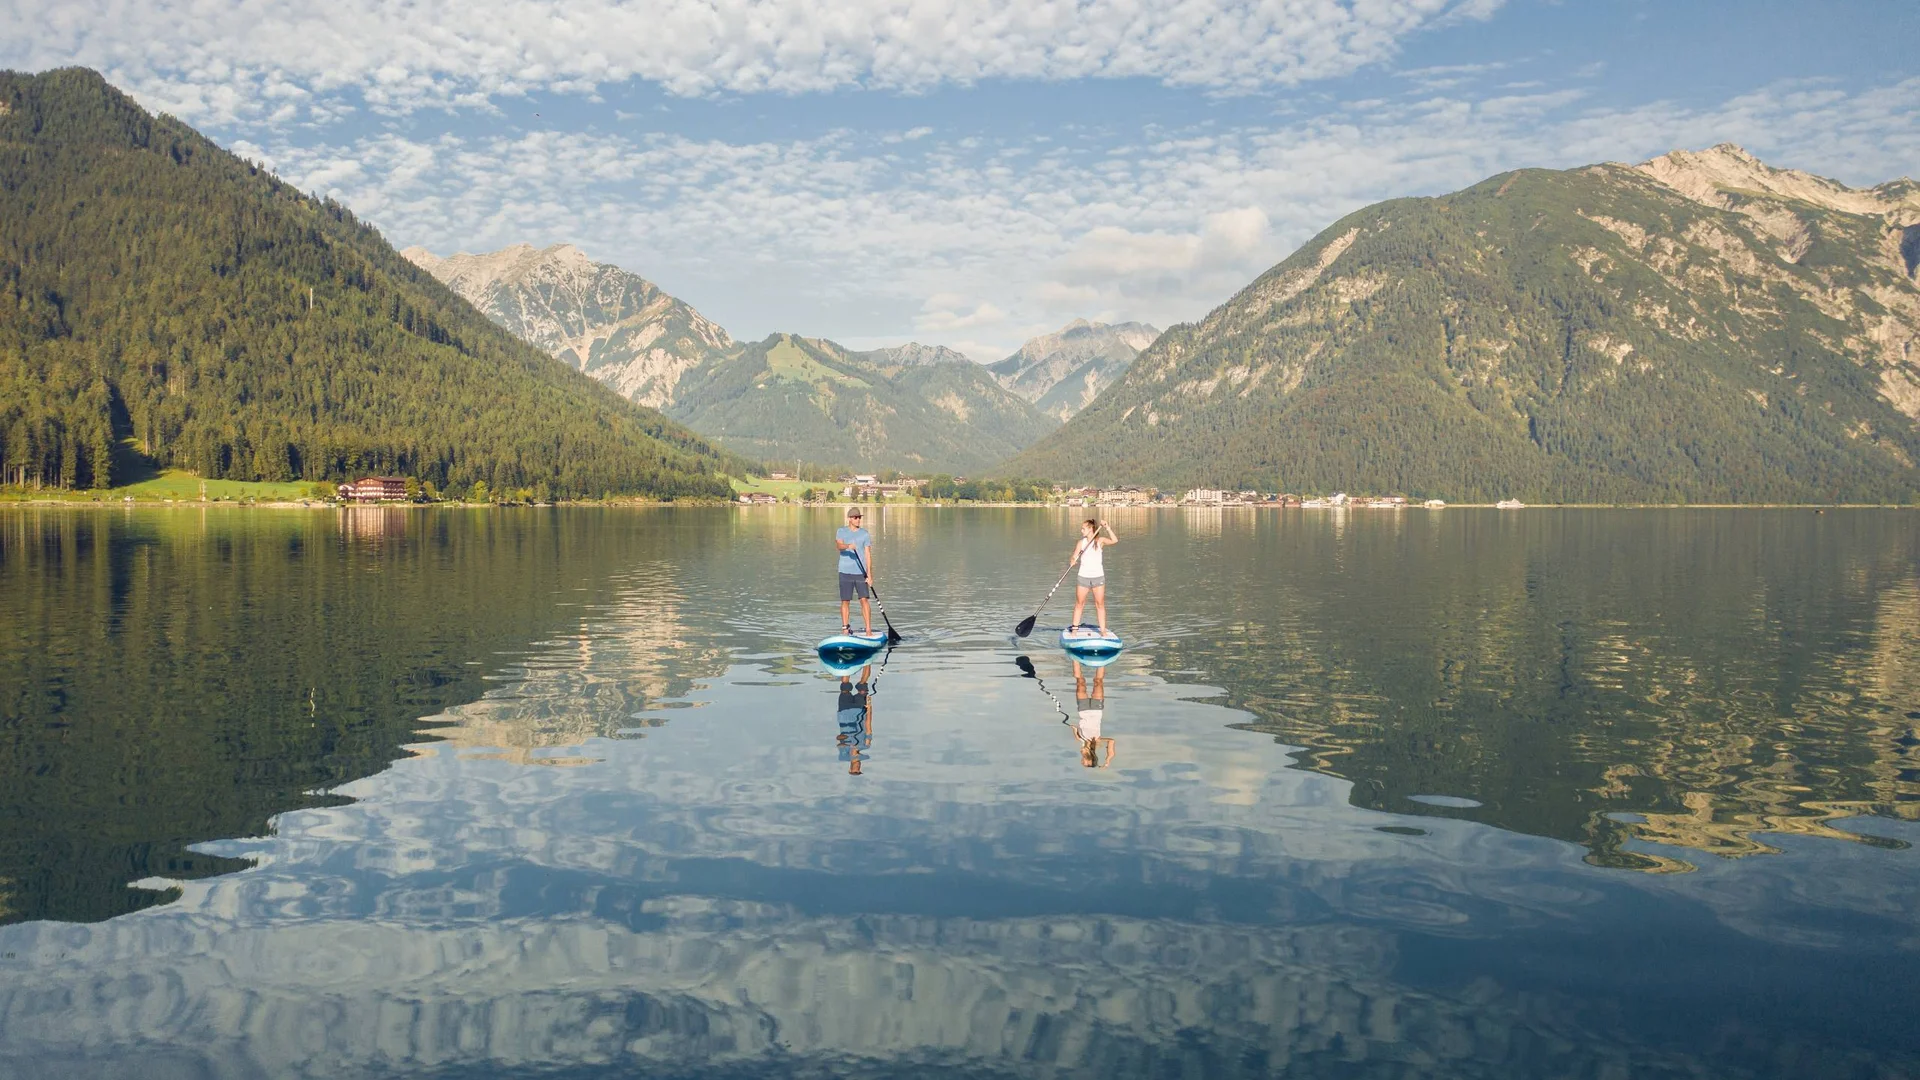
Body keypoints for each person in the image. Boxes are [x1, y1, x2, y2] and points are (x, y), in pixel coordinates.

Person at [1068, 518, 1118, 634]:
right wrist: (1072, 561)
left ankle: (1103, 631)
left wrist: (1107, 527)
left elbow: (1115, 540)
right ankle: (1074, 631)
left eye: (1083, 528)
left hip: (1098, 577)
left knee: (1099, 604)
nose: (1081, 530)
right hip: (1083, 577)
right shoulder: (1081, 543)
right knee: (1079, 603)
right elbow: (1074, 556)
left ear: (1091, 529)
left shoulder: (1100, 541)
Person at [835, 507, 874, 634]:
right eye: (856, 517)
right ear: (850, 519)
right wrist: (848, 546)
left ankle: (868, 629)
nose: (858, 520)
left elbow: (868, 554)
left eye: (859, 517)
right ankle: (845, 628)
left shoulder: (864, 534)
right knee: (845, 601)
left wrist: (869, 574)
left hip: (860, 573)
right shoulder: (841, 531)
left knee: (864, 600)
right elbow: (839, 546)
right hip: (845, 572)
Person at [1072, 659, 1115, 768]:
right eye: (1086, 762)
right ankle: (1102, 658)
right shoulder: (1097, 741)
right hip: (1097, 709)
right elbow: (1111, 741)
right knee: (1098, 682)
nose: (1083, 762)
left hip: (1083, 709)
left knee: (1080, 682)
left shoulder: (1079, 738)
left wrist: (1074, 729)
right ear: (1092, 758)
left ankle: (1074, 657)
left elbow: (1074, 727)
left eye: (1084, 762)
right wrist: (1107, 761)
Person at [837, 663, 874, 775]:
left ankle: (846, 662)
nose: (857, 767)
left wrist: (847, 744)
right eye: (858, 769)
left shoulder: (843, 754)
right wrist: (869, 708)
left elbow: (839, 738)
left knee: (845, 686)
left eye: (855, 770)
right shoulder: (865, 745)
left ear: (850, 769)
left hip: (844, 714)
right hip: (859, 710)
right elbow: (868, 726)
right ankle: (868, 660)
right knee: (863, 684)